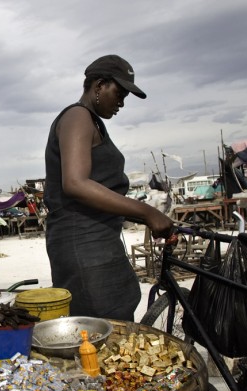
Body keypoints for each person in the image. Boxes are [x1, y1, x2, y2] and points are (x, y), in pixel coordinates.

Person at [43, 55, 172, 321]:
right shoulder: (78, 116)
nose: (122, 103)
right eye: (119, 93)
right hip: (84, 247)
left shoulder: (92, 121)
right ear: (99, 85)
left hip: (99, 242)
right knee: (101, 326)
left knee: (114, 320)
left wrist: (149, 218)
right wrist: (148, 212)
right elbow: (76, 183)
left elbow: (103, 191)